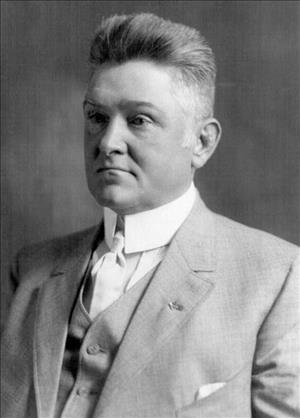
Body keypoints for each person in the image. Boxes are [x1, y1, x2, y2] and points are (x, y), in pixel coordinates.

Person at [1, 13, 299, 418]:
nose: (108, 142)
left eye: (139, 120)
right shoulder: (30, 270)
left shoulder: (277, 277)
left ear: (202, 142)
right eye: (96, 117)